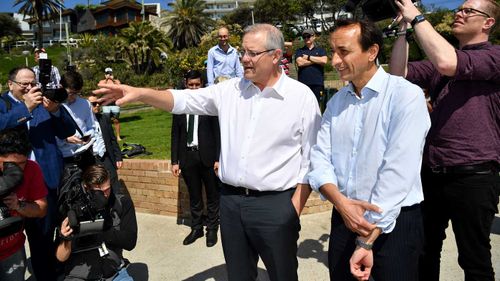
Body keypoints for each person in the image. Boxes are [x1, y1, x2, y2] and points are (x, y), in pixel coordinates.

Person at [95, 23, 321, 281]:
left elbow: (312, 158)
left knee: (283, 275)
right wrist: (140, 93)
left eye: (252, 53)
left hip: (276, 206)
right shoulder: (230, 91)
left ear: (276, 56)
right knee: (238, 275)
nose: (244, 59)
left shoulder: (301, 97)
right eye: (242, 52)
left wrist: (293, 209)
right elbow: (182, 100)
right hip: (231, 204)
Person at [307, 19, 430, 281]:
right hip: (343, 218)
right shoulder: (336, 102)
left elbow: (398, 172)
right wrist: (342, 204)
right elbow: (319, 159)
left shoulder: (405, 95)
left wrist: (366, 239)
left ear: (372, 52)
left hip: (394, 225)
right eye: (333, 52)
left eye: (343, 51)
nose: (334, 60)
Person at [389, 0, 500, 280]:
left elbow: (449, 62)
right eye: (458, 9)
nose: (459, 14)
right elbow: (397, 73)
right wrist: (404, 29)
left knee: (474, 258)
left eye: (468, 11)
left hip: (474, 173)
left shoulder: (495, 56)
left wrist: (416, 17)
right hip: (433, 171)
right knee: (424, 250)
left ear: (488, 23)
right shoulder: (441, 62)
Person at [0, 66, 76, 281]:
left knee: (57, 230)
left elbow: (68, 130)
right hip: (14, 185)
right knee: (33, 239)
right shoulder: (3, 104)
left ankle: (59, 270)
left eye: (33, 83)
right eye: (24, 84)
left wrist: (55, 110)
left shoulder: (43, 102)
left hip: (50, 179)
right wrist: (26, 108)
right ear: (10, 84)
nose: (30, 88)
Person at [56, 164, 137, 280]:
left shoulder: (122, 203)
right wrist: (66, 239)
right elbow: (61, 257)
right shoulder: (71, 208)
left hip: (114, 272)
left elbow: (130, 242)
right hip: (79, 276)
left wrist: (102, 228)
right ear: (86, 188)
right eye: (99, 192)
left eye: (107, 189)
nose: (105, 195)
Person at [171, 70, 221, 247]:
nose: (193, 88)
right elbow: (175, 134)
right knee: (194, 195)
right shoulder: (180, 106)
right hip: (188, 157)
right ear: (186, 84)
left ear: (202, 84)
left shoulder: (209, 105)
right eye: (190, 85)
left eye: (197, 85)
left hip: (208, 157)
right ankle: (197, 228)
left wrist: (218, 158)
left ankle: (212, 229)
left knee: (213, 194)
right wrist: (174, 161)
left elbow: (218, 133)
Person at [0, 128, 48, 281]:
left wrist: (18, 205)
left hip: (12, 250)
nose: (18, 170)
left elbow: (42, 209)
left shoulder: (32, 168)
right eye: (11, 165)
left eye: (22, 163)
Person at [58, 71, 97, 170]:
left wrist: (88, 135)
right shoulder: (52, 105)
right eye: (71, 93)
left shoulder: (85, 104)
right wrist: (65, 139)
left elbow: (91, 126)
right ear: (60, 87)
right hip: (64, 157)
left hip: (85, 153)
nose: (74, 97)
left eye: (77, 93)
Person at [88, 95, 123, 194]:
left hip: (106, 156)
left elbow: (112, 139)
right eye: (94, 104)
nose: (97, 105)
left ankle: (118, 206)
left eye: (99, 103)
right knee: (96, 187)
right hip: (92, 159)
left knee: (114, 181)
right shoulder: (83, 122)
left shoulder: (104, 118)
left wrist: (118, 157)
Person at [295, 28, 328, 104]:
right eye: (304, 37)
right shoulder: (300, 51)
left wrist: (308, 57)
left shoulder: (320, 50)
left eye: (308, 36)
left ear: (314, 37)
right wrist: (316, 61)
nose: (306, 38)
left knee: (317, 105)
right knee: (304, 105)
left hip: (317, 83)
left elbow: (324, 61)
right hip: (303, 84)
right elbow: (300, 63)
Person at [99, 68, 122, 141]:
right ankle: (109, 136)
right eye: (107, 73)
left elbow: (119, 88)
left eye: (110, 73)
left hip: (115, 103)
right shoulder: (102, 81)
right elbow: (101, 87)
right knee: (107, 121)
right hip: (106, 104)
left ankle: (118, 136)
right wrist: (106, 80)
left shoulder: (116, 81)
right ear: (105, 74)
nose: (108, 75)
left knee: (116, 120)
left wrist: (113, 80)